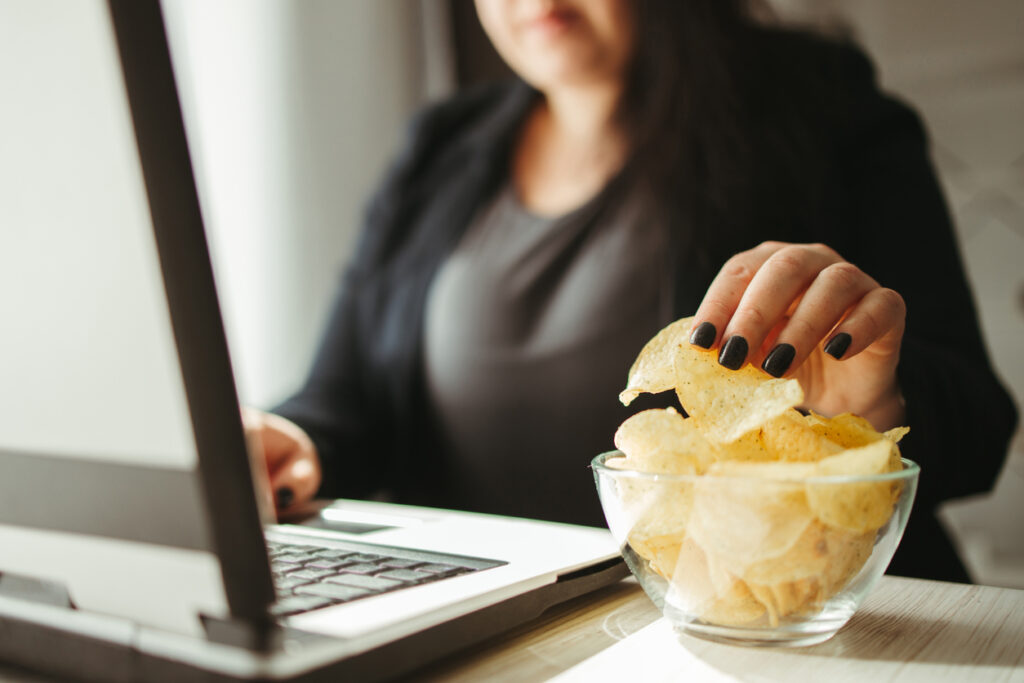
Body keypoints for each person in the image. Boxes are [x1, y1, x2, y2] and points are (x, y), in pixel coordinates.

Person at [246, 0, 1017, 583]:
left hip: (777, 633)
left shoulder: (826, 110)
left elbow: (980, 422)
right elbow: (344, 397)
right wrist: (295, 440)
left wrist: (869, 407)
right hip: (505, 635)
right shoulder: (439, 147)